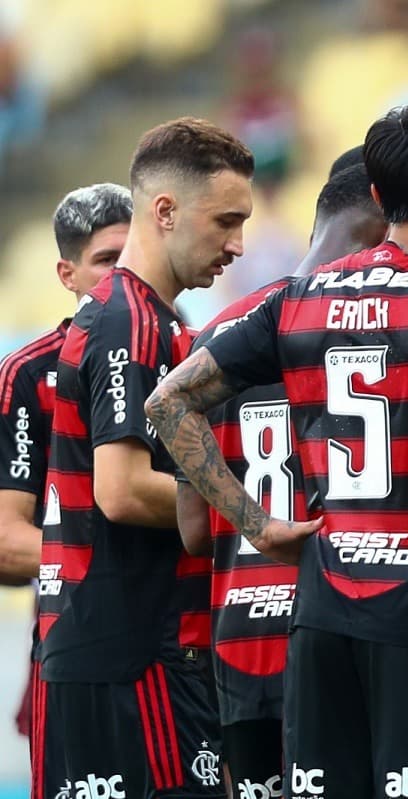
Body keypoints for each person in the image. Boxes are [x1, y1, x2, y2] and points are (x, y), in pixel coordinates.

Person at [146, 103, 408, 799]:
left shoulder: (297, 298)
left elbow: (167, 403)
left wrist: (256, 524)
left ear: (379, 195)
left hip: (323, 621)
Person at [35, 118, 253, 799]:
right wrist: (253, 516)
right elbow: (122, 489)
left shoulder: (147, 317)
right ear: (164, 211)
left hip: (118, 647)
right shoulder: (130, 318)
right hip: (132, 653)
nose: (237, 245)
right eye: (225, 221)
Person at [174, 162, 386, 799]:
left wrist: (255, 526)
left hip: (244, 646)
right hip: (350, 636)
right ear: (382, 228)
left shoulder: (218, 337)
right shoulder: (380, 333)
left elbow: (193, 530)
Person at [0, 183, 130, 749]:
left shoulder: (188, 352)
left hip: (182, 641)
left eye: (131, 258)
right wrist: (123, 559)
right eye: (106, 261)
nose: (122, 276)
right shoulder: (29, 375)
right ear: (67, 274)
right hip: (75, 640)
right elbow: (6, 544)